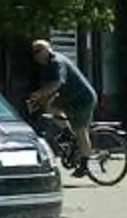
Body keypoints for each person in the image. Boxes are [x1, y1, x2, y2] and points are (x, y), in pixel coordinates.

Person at [24, 39, 98, 171]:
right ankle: (66, 132)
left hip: (83, 99)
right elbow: (51, 89)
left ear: (47, 50)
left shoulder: (56, 62)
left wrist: (37, 94)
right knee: (48, 107)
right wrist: (40, 101)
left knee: (80, 129)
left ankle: (85, 163)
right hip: (68, 98)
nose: (35, 55)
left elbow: (57, 83)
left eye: (38, 51)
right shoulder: (46, 65)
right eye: (33, 52)